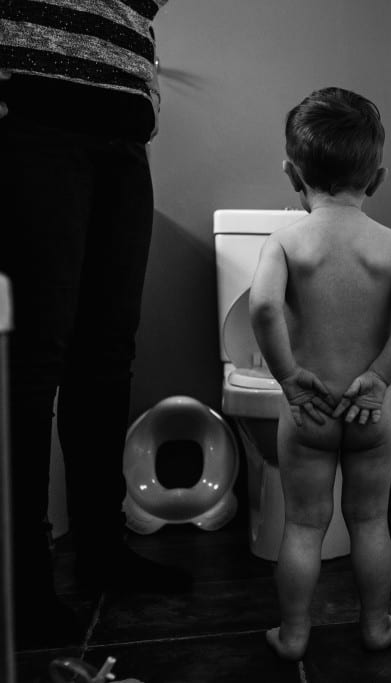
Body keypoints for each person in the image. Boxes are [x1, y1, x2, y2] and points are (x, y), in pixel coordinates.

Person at [0, 1, 191, 651]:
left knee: (106, 355)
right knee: (32, 358)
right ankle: (20, 583)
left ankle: (101, 550)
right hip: (35, 110)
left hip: (123, 130)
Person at [250, 87, 391, 661]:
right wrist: (378, 377)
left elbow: (261, 308)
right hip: (371, 411)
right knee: (371, 520)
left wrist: (287, 376)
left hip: (310, 409)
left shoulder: (285, 240)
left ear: (290, 172)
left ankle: (296, 634)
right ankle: (375, 626)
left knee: (304, 525)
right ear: (376, 178)